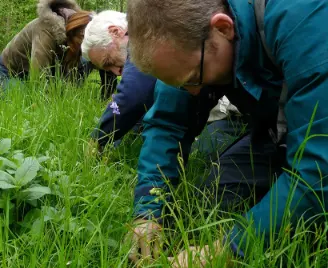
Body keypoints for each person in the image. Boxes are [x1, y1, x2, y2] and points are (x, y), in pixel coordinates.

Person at [124, 0, 328, 268]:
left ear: (223, 27)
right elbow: (167, 124)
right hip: (277, 132)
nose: (193, 93)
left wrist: (226, 251)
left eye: (193, 79)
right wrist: (148, 212)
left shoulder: (302, 16)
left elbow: (319, 167)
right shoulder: (188, 44)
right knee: (217, 199)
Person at [81, 11, 245, 159]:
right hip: (220, 112)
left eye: (109, 61)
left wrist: (97, 138)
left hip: (232, 114)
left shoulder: (144, 36)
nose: (116, 72)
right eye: (107, 69)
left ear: (116, 32)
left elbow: (131, 96)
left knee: (205, 156)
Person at [0, 0, 117, 100]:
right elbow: (38, 77)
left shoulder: (84, 33)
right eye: (84, 39)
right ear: (74, 33)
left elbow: (106, 62)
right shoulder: (46, 29)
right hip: (11, 71)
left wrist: (107, 98)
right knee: (25, 101)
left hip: (49, 70)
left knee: (63, 93)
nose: (87, 43)